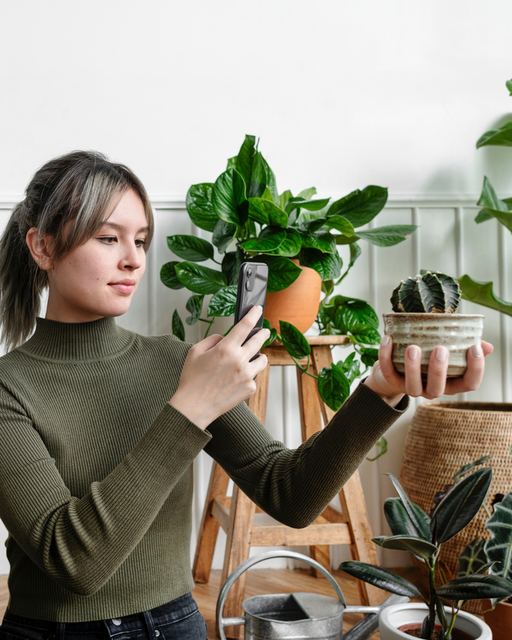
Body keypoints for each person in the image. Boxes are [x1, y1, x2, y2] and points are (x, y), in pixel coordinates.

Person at [0, 151, 492, 640]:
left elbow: (291, 494)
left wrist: (380, 391)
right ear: (42, 247)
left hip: (176, 626)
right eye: (108, 238)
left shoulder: (176, 364)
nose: (133, 259)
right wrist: (191, 408)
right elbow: (73, 560)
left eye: (141, 240)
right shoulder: (9, 387)